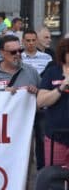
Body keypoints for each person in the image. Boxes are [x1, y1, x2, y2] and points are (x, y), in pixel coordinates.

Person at [37, 38, 69, 167]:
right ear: (63, 54)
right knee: (55, 178)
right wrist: (61, 87)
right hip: (56, 136)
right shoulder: (52, 71)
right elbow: (40, 101)